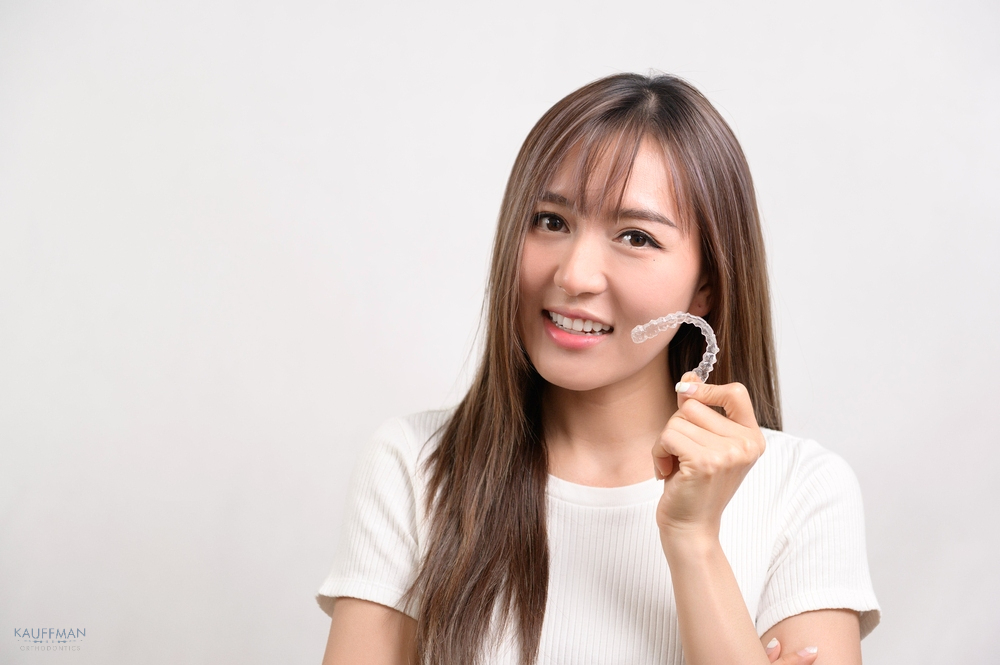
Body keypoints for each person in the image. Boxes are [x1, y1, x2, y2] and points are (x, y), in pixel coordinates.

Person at [316, 73, 880, 665]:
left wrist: (694, 542)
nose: (575, 276)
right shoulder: (415, 467)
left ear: (706, 287)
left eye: (635, 236)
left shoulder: (803, 491)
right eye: (551, 221)